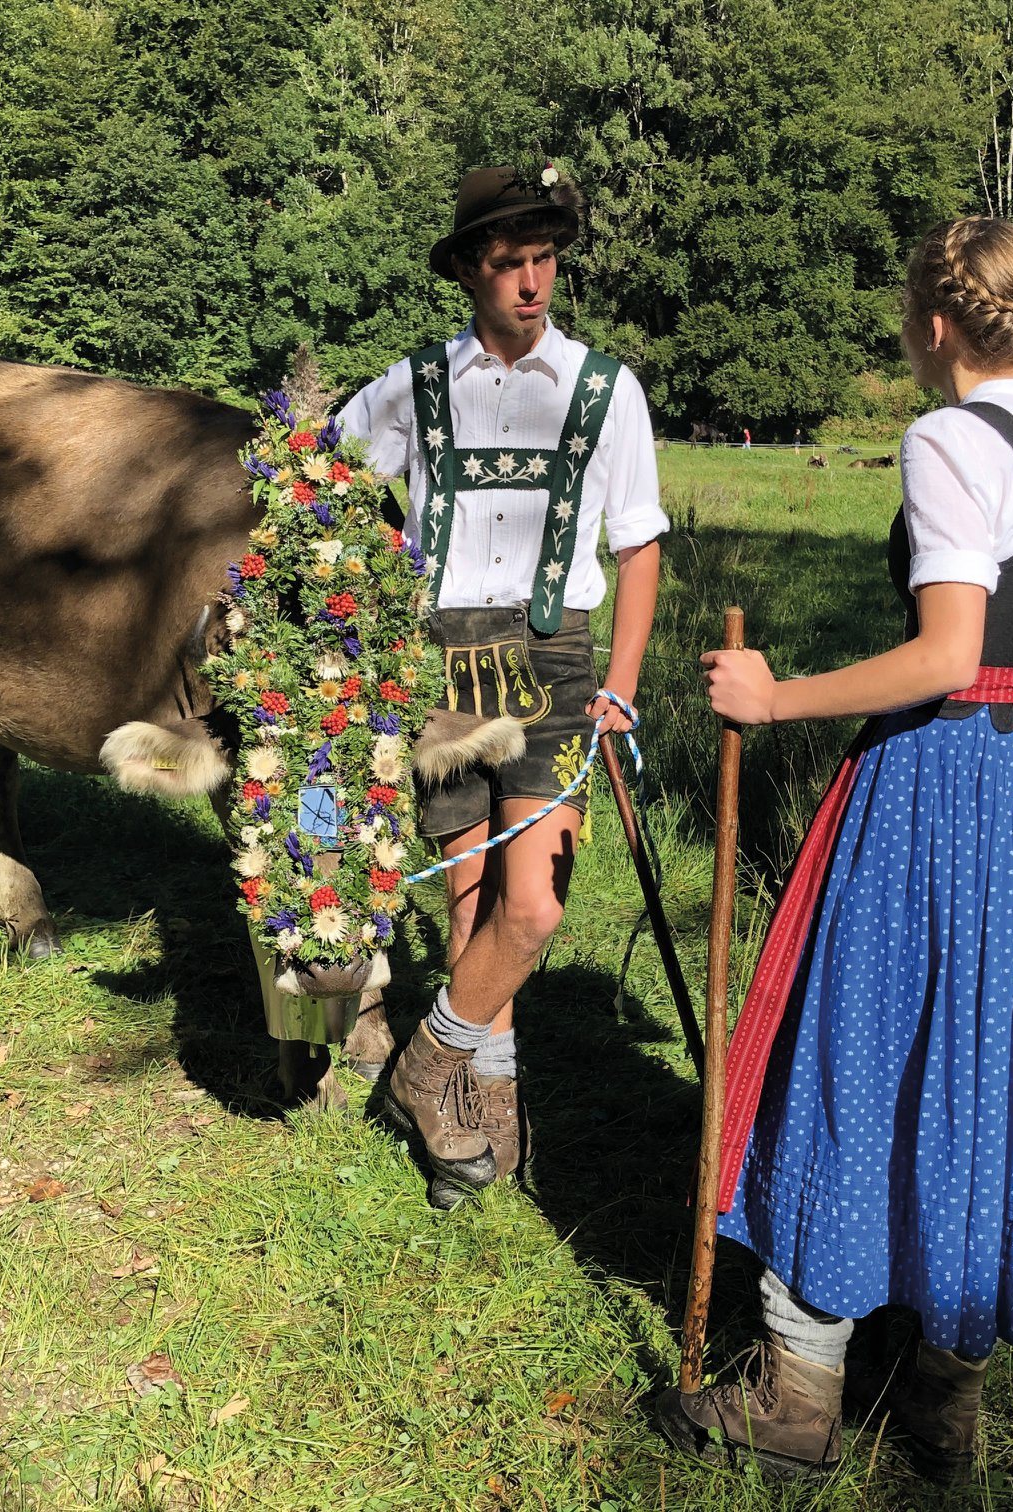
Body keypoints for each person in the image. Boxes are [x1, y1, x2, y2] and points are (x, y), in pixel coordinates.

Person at [657, 216, 1013, 1481]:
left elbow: (945, 657)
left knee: (858, 1048)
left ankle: (799, 1386)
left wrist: (772, 698)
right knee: (991, 1069)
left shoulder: (946, 440)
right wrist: (1012, 714)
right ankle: (941, 1392)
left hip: (936, 789)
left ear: (935, 323)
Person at [337, 165, 667, 1209]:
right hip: (439, 668)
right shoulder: (416, 386)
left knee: (531, 908)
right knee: (476, 899)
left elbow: (640, 549)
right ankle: (475, 1139)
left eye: (543, 258)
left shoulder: (605, 390)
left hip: (554, 662)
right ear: (469, 275)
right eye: (506, 263)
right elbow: (322, 472)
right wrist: (378, 580)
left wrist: (617, 685)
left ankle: (421, 1070)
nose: (531, 282)